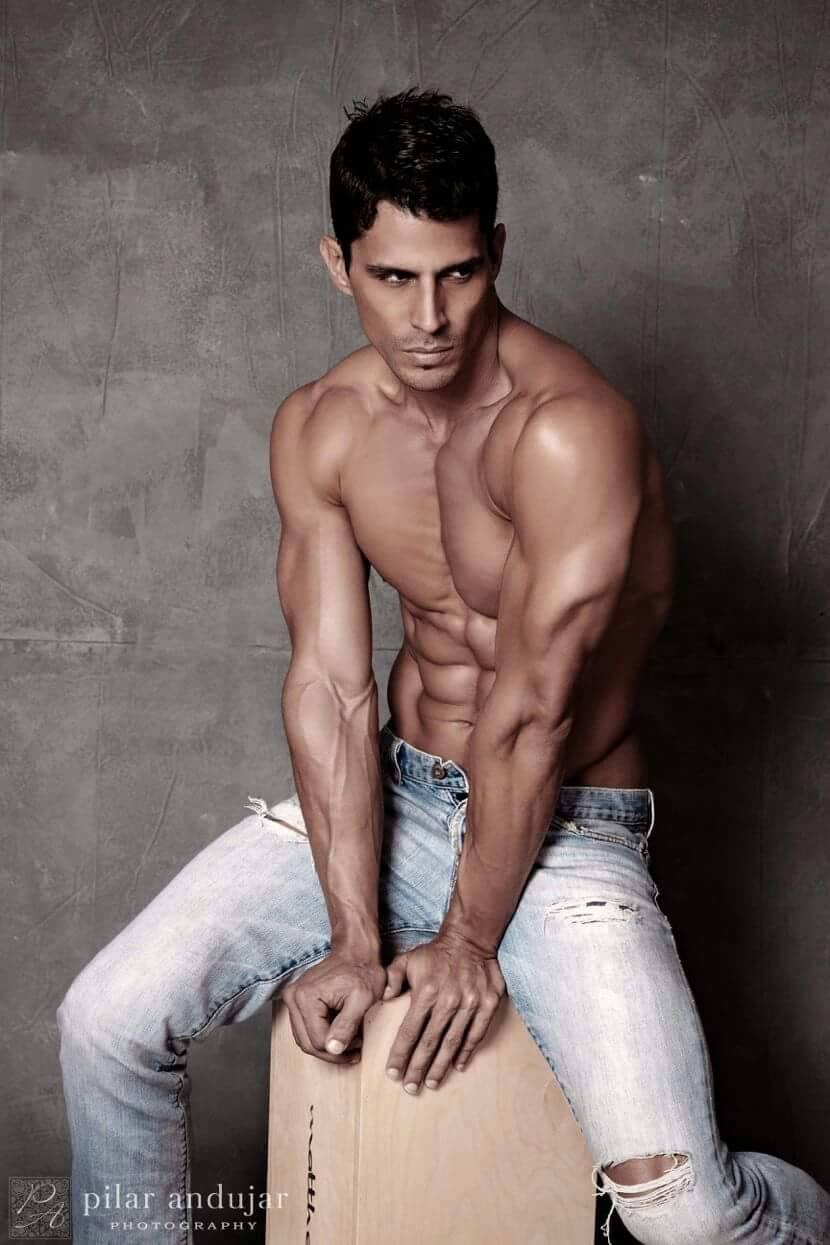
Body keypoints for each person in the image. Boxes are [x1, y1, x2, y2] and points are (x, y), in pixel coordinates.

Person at [57, 87, 830, 1245]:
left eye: (456, 274)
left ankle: (801, 1212)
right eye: (392, 278)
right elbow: (330, 685)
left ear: (496, 252)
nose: (428, 318)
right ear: (338, 265)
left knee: (688, 1220)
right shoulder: (322, 425)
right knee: (106, 1022)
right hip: (397, 795)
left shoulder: (567, 428)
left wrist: (467, 942)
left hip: (566, 832)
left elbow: (530, 715)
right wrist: (352, 933)